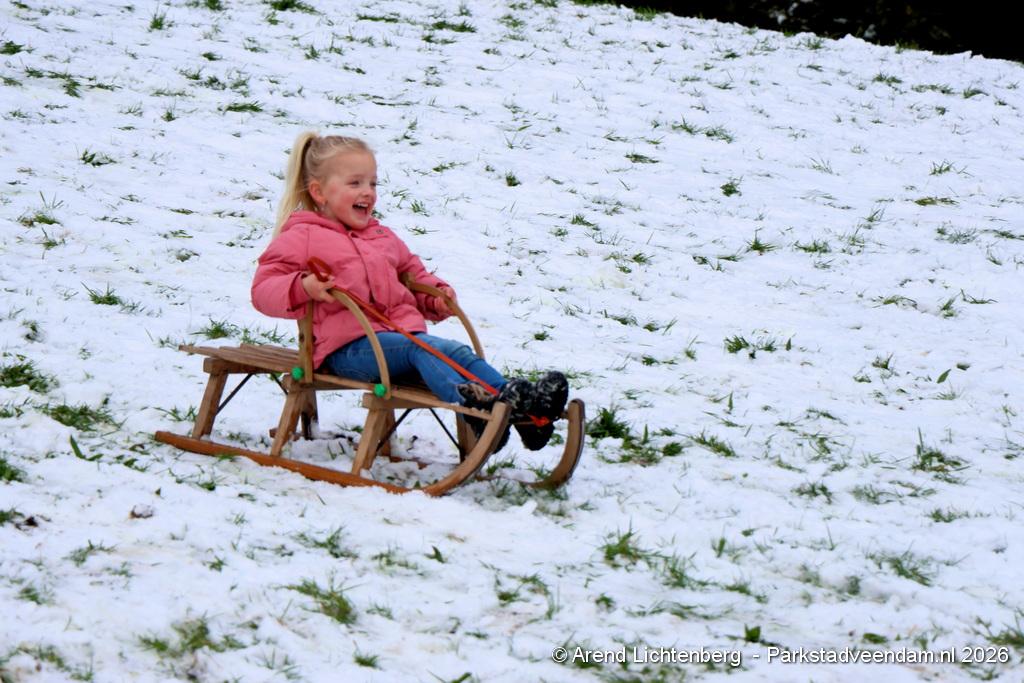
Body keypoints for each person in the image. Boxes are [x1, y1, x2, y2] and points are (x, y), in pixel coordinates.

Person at [251, 131, 568, 450]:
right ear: (319, 192)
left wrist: (436, 296)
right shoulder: (304, 236)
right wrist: (302, 287)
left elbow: (414, 275)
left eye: (373, 183)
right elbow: (263, 289)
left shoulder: (382, 237)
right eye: (355, 183)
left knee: (456, 351)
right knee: (422, 348)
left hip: (399, 340)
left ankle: (524, 410)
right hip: (345, 351)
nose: (368, 192)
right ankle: (474, 408)